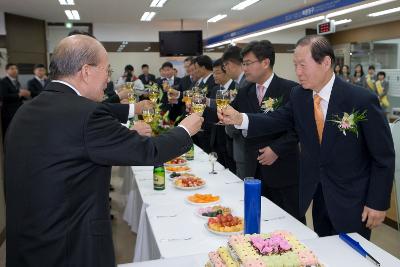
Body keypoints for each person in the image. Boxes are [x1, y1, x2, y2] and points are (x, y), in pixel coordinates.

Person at [5, 34, 204, 267]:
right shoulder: (85, 115)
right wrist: (184, 129)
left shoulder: (27, 111)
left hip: (28, 241)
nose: (108, 80)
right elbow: (150, 151)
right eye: (107, 71)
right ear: (87, 71)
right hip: (70, 245)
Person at [218, 35, 394, 240]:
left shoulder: (360, 99)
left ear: (326, 62)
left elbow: (383, 157)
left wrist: (377, 202)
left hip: (353, 199)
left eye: (303, 65)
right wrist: (241, 118)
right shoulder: (299, 96)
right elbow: (277, 119)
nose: (298, 72)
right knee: (325, 250)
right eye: (295, 65)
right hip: (318, 195)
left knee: (353, 255)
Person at [231, 40, 302, 221]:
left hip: (283, 169)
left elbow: (298, 128)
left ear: (265, 62)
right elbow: (232, 115)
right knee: (258, 219)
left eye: (248, 63)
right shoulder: (244, 92)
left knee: (290, 221)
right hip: (253, 169)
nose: (244, 68)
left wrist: (277, 149)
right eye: (243, 64)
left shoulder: (291, 89)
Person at [221, 46, 249, 179]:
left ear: (229, 64)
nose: (224, 69)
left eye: (224, 66)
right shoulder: (240, 83)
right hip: (240, 145)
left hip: (245, 146)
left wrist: (230, 129)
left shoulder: (245, 84)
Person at [208, 58, 236, 172]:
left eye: (218, 73)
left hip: (230, 138)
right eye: (213, 73)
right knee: (218, 169)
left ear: (227, 71)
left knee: (231, 170)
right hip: (216, 137)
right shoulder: (215, 89)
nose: (214, 76)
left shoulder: (236, 87)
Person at [0, 63, 31, 137]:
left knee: (16, 132)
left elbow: (18, 95)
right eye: (12, 68)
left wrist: (25, 95)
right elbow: (3, 97)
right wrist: (19, 95)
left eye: (16, 69)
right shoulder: (3, 81)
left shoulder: (16, 82)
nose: (15, 70)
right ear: (7, 70)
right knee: (8, 133)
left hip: (17, 110)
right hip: (8, 112)